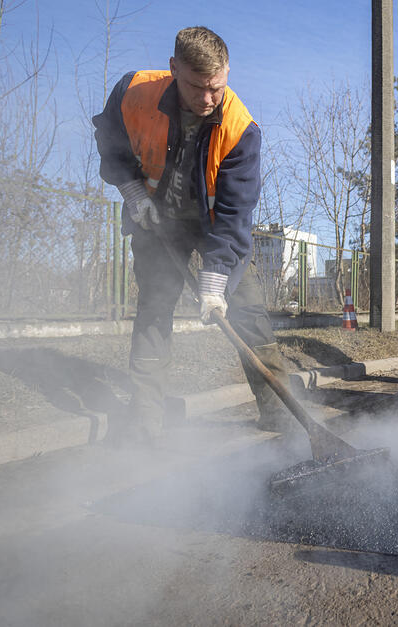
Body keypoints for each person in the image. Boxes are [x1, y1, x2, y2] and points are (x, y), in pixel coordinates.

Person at [93, 26, 293, 440]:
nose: (207, 99)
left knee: (249, 313)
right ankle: (147, 427)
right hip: (156, 219)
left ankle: (281, 418)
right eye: (196, 87)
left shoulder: (241, 129)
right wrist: (133, 191)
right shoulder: (134, 91)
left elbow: (236, 213)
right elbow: (110, 142)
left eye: (216, 88)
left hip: (214, 224)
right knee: (153, 310)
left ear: (227, 74)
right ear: (173, 70)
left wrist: (216, 279)